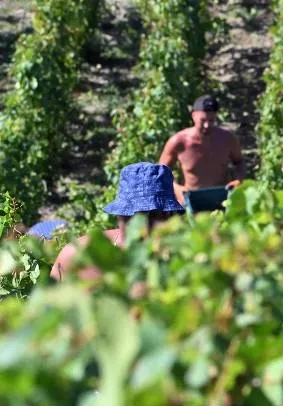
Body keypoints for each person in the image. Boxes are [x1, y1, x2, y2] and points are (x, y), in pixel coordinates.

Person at [50, 162, 183, 281]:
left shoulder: (74, 251)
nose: (142, 226)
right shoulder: (179, 262)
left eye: (152, 215)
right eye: (133, 216)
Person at [158, 95, 245, 207]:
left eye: (211, 120)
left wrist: (239, 180)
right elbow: (160, 172)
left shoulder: (227, 139)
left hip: (221, 200)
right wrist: (176, 188)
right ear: (193, 116)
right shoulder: (179, 141)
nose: (207, 125)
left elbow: (239, 162)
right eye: (203, 120)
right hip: (190, 201)